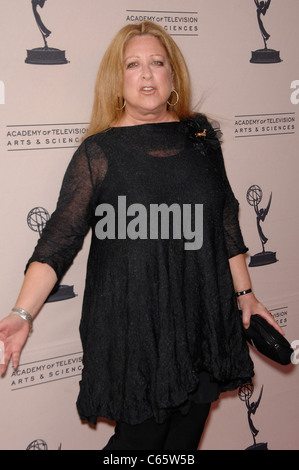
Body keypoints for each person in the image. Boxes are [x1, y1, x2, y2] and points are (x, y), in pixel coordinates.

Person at [0, 21, 283, 450]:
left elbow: (225, 220)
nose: (147, 74)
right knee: (138, 444)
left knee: (181, 447)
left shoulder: (202, 138)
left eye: (157, 63)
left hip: (200, 319)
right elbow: (58, 242)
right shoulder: (100, 152)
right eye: (134, 64)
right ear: (119, 79)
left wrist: (246, 296)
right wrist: (22, 315)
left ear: (172, 75)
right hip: (134, 328)